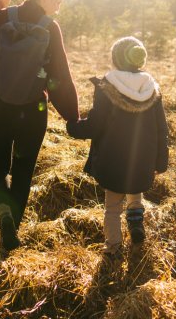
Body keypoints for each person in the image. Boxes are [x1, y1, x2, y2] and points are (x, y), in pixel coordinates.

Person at [0, 0, 79, 251]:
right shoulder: (50, 27)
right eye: (57, 1)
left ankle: (4, 215)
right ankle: (11, 230)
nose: (58, 7)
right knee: (23, 172)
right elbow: (60, 78)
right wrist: (73, 117)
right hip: (33, 111)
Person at [66, 36, 169, 257]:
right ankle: (136, 225)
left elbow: (96, 124)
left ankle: (113, 248)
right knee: (135, 193)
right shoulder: (151, 88)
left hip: (112, 158)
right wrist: (161, 161)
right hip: (142, 159)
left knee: (112, 208)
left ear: (116, 59)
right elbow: (162, 128)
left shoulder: (107, 86)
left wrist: (74, 127)